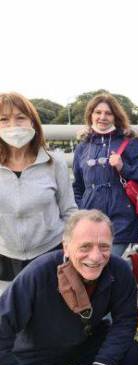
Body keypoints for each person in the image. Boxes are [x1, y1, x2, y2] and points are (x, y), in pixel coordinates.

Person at [0, 209, 138, 365]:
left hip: (85, 340)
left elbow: (125, 322)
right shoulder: (37, 273)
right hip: (36, 351)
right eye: (85, 247)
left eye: (104, 246)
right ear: (66, 247)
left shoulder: (120, 271)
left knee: (131, 354)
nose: (95, 256)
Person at [0, 92, 77, 281]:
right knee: (10, 309)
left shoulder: (54, 162)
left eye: (20, 118)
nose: (13, 126)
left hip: (50, 252)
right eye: (3, 119)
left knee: (47, 309)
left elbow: (69, 210)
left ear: (32, 122)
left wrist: (72, 246)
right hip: (5, 256)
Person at [73, 93, 138, 257]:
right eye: (98, 112)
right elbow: (77, 186)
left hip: (121, 218)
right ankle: (127, 268)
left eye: (108, 113)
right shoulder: (82, 147)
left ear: (115, 116)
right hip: (89, 218)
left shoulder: (128, 141)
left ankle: (124, 270)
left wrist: (123, 167)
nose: (102, 117)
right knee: (93, 265)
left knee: (106, 261)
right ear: (91, 115)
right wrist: (82, 207)